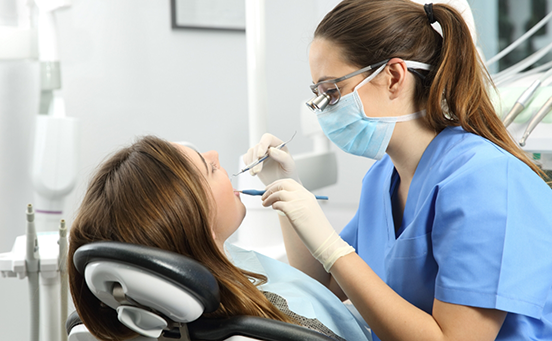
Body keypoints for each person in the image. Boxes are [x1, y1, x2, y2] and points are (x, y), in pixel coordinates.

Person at [244, 1, 552, 340]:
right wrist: (287, 190)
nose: (324, 109)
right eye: (317, 94)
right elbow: (326, 284)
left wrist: (333, 247)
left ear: (393, 77)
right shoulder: (381, 178)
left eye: (332, 92)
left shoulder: (487, 181)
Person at [67, 135, 370, 341]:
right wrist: (331, 249)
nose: (215, 155)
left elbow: (310, 290)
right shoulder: (273, 323)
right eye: (210, 168)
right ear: (201, 227)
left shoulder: (199, 285)